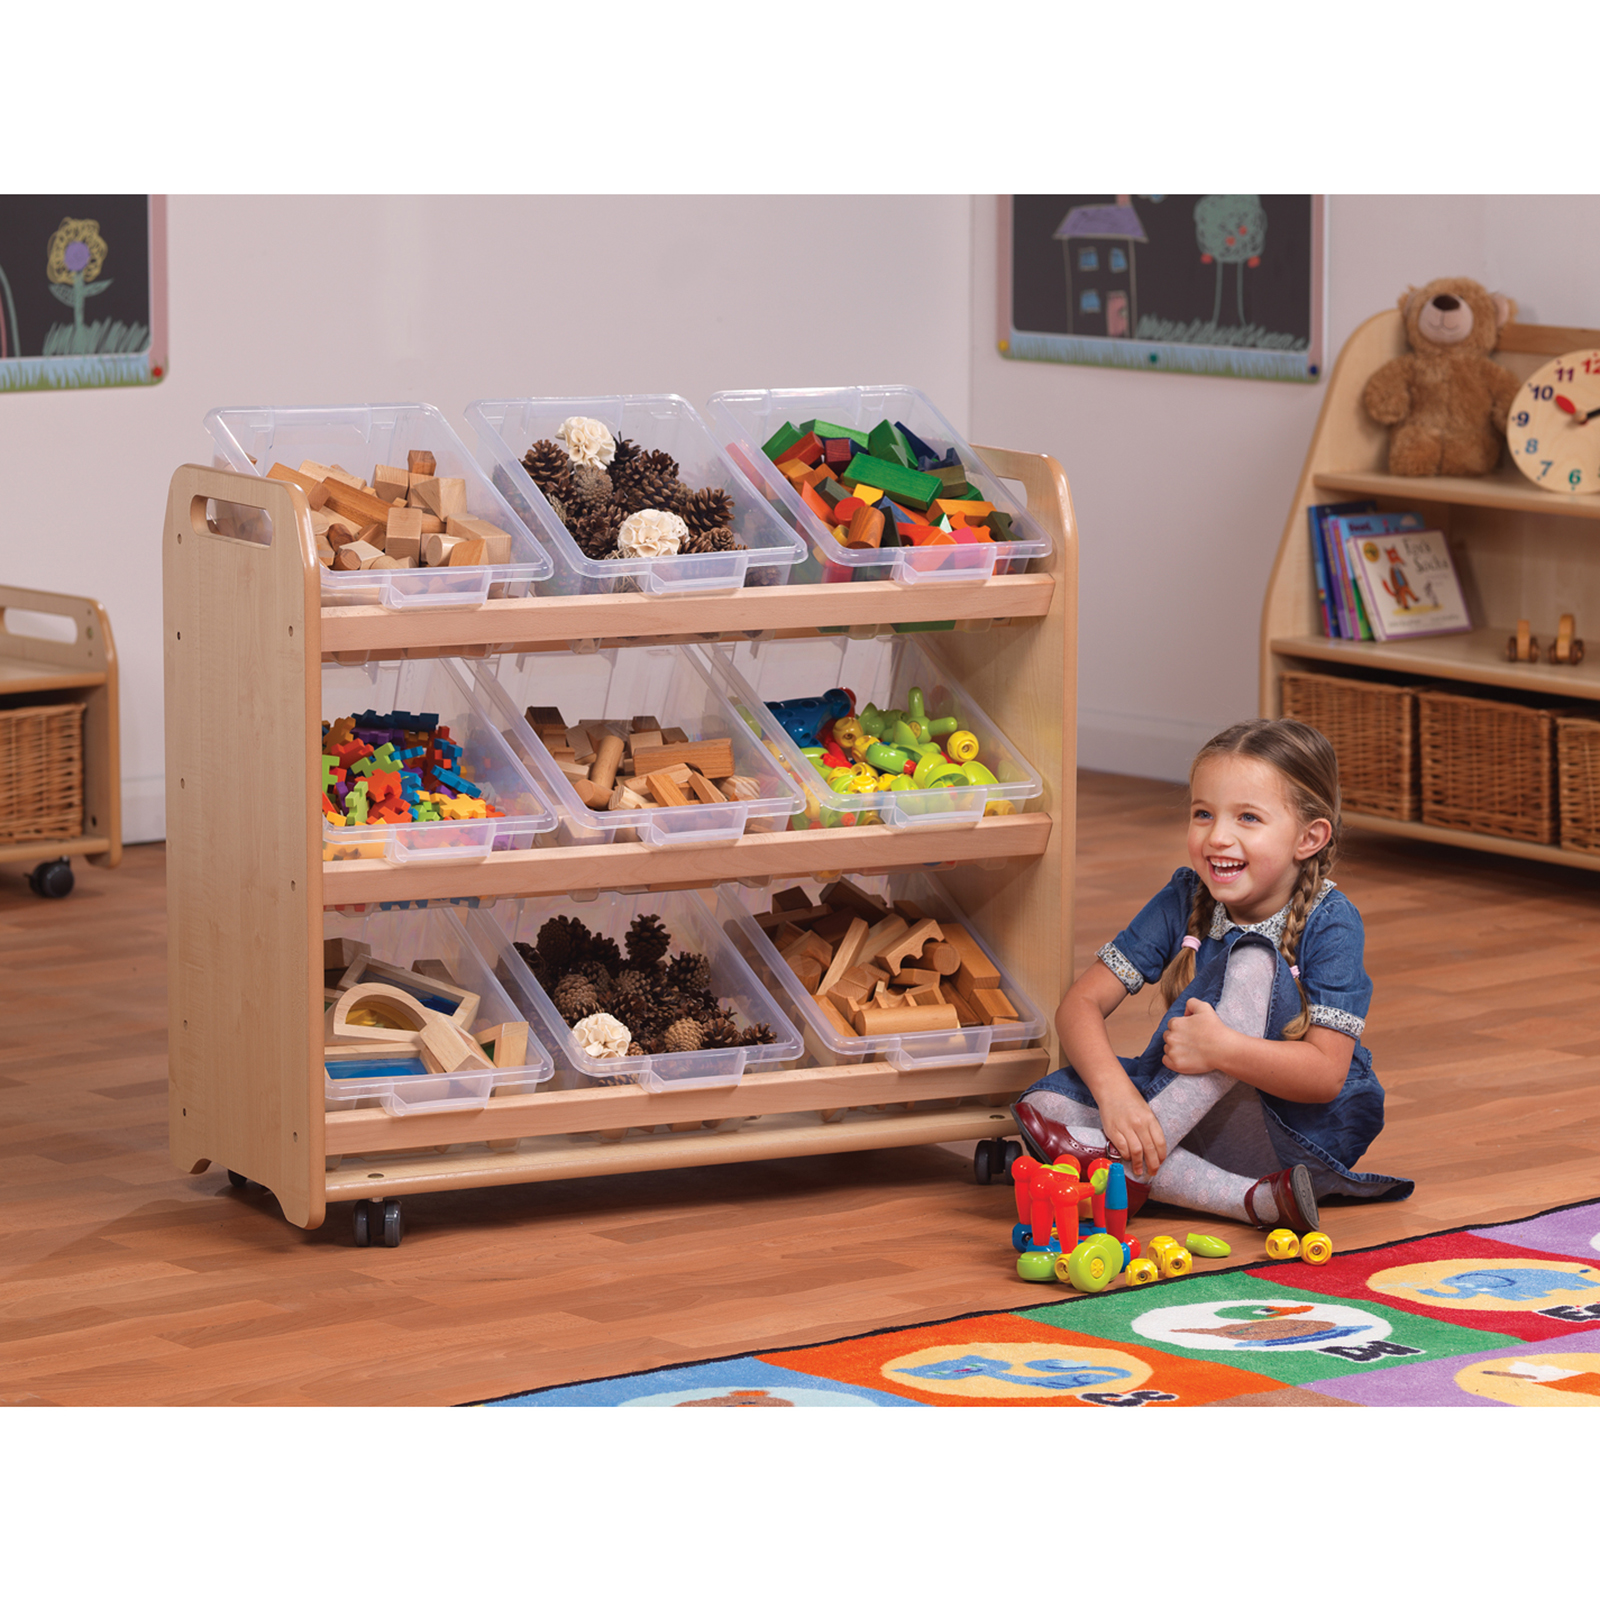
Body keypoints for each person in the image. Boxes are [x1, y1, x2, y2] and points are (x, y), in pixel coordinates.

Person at [1015, 718, 1411, 1232]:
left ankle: (1116, 1163)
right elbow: (1080, 1005)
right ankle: (1252, 1200)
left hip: (1294, 1135)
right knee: (1041, 1105)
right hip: (1198, 1128)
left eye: (1248, 817)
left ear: (1309, 837)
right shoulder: (1185, 895)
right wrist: (1117, 1098)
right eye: (1203, 813)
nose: (1218, 837)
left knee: (1253, 958)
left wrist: (1223, 1050)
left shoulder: (1333, 921)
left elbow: (1325, 1076)